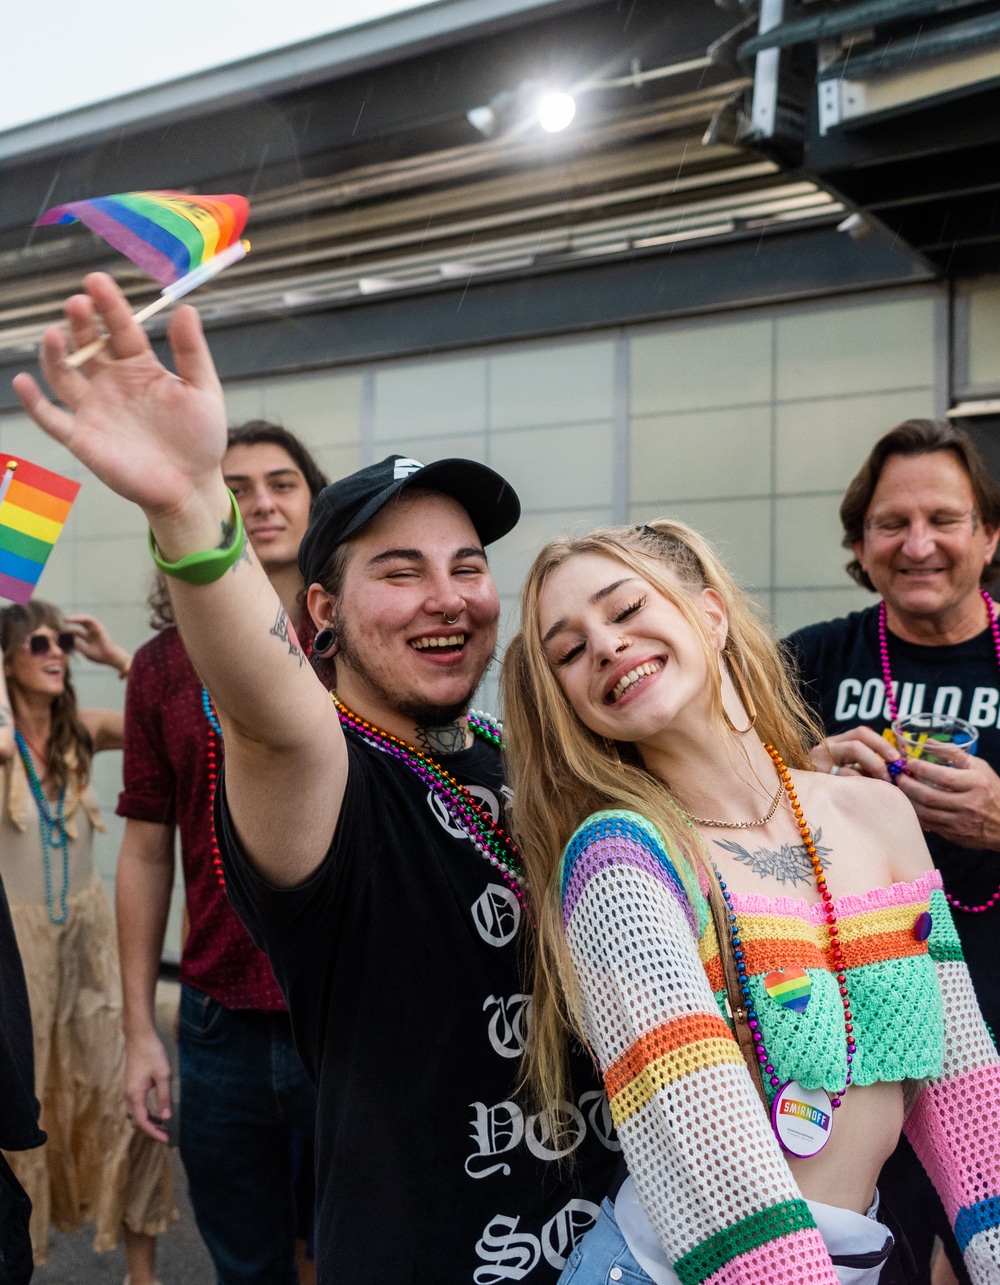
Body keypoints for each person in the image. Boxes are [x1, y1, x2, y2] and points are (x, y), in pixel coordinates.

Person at [12, 273, 619, 1283]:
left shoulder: (524, 765)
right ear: (323, 612)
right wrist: (189, 506)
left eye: (466, 565)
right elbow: (265, 702)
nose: (447, 597)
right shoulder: (323, 773)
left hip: (604, 1250)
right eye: (399, 570)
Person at [501, 517, 1000, 1285]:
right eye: (568, 651)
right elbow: (710, 1166)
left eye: (626, 608)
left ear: (710, 611)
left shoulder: (879, 813)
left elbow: (965, 1091)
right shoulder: (619, 862)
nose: (604, 644)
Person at [783, 418, 1000, 1283]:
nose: (918, 545)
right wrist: (805, 775)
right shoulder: (806, 664)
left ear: (989, 535)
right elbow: (716, 808)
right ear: (860, 544)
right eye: (890, 524)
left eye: (944, 519)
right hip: (867, 1055)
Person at [117, 419, 326, 1285]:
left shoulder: (360, 646)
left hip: (343, 1011)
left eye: (282, 482)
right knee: (246, 1261)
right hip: (215, 1021)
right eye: (234, 488)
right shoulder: (162, 667)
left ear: (318, 506)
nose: (261, 502)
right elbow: (143, 851)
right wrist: (139, 1030)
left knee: (351, 1248)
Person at [0, 601, 174, 1283]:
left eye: (62, 643)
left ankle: (144, 1274)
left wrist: (116, 656)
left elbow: (167, 717)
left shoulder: (83, 731)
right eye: (39, 641)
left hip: (93, 944)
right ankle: (24, 1259)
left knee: (122, 1096)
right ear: (8, 656)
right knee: (23, 1106)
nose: (56, 652)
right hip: (19, 956)